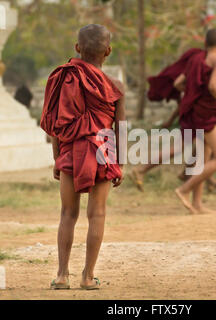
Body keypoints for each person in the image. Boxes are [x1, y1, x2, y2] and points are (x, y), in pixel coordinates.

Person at [40, 24, 125, 290]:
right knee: (97, 214)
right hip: (102, 152)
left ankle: (62, 275)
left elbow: (58, 122)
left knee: (67, 213)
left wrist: (57, 157)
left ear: (77, 48)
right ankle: (88, 277)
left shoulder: (66, 78)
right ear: (108, 51)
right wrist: (118, 163)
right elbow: (120, 129)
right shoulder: (115, 86)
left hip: (70, 153)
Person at [175, 29, 216, 215]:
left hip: (196, 111)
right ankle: (184, 190)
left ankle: (197, 203)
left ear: (205, 43)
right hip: (207, 115)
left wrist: (195, 96)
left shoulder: (196, 59)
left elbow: (178, 83)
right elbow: (213, 86)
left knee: (203, 157)